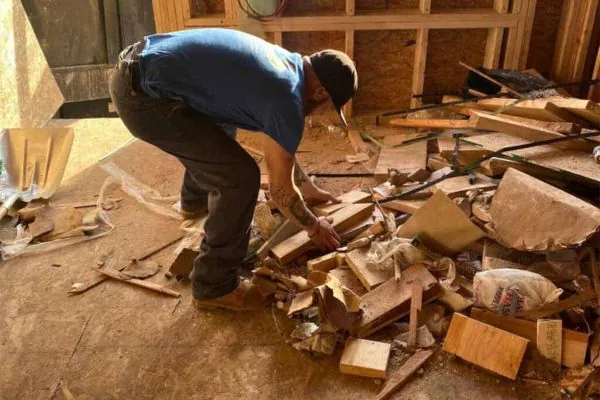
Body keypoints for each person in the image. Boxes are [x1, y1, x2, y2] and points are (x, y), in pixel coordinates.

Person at [109, 28, 358, 311]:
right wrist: (314, 227)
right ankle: (214, 286)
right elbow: (279, 192)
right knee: (240, 179)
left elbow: (280, 143)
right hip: (143, 100)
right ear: (320, 91)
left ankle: (195, 203)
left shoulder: (286, 65)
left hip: (139, 67)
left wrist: (306, 187)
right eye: (327, 106)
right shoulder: (286, 97)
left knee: (222, 124)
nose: (321, 112)